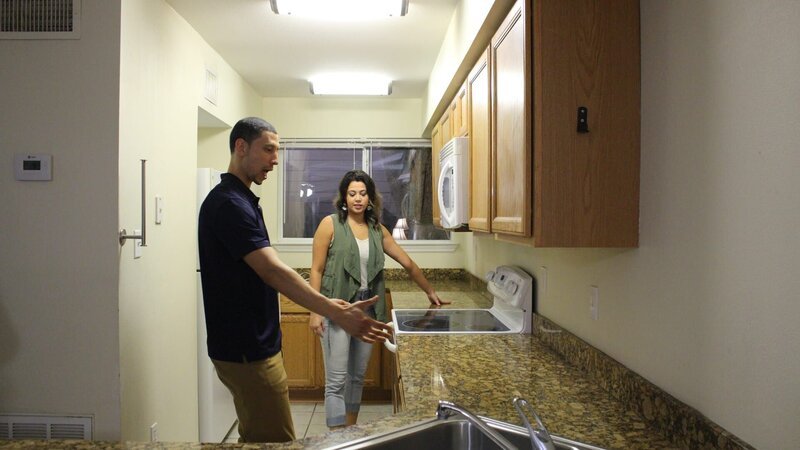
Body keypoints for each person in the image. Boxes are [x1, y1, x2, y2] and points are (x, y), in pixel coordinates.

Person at [198, 117, 392, 443]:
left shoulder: (243, 199)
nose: (276, 159)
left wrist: (331, 306)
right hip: (247, 349)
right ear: (241, 147)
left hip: (252, 346)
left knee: (259, 435)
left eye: (277, 151)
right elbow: (272, 270)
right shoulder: (229, 204)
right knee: (277, 441)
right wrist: (333, 310)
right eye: (269, 150)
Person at [309, 169, 450, 429]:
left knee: (357, 377)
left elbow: (407, 263)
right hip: (336, 311)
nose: (358, 199)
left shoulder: (377, 229)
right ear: (343, 197)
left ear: (371, 198)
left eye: (363, 193)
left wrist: (430, 292)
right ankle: (336, 437)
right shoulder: (329, 225)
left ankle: (350, 432)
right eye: (352, 194)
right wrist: (316, 311)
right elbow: (316, 270)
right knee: (337, 381)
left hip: (368, 313)